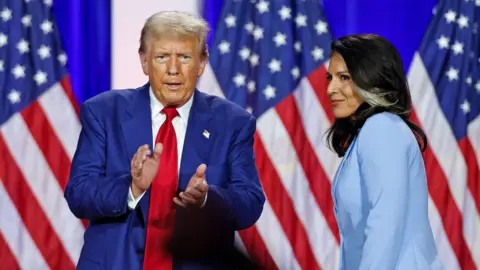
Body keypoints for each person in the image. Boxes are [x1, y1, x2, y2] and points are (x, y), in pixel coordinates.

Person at [65, 11, 265, 270]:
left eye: (184, 57)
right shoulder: (104, 112)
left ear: (202, 63)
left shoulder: (233, 123)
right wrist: (132, 187)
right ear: (144, 61)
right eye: (161, 57)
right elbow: (78, 194)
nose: (173, 69)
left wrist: (206, 199)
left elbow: (250, 203)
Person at [326, 34, 442, 269]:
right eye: (330, 77)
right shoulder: (368, 132)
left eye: (344, 77)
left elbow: (385, 225)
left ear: (372, 80)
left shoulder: (382, 128)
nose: (330, 88)